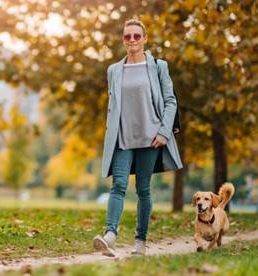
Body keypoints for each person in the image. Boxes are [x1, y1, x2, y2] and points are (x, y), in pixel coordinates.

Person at [93, 18, 183, 257]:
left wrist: (164, 131)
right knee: (118, 185)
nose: (131, 40)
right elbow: (113, 106)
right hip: (122, 138)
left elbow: (170, 100)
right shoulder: (114, 70)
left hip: (150, 138)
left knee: (143, 189)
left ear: (144, 39)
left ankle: (140, 243)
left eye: (136, 36)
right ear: (123, 40)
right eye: (127, 36)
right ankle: (110, 236)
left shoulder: (158, 66)